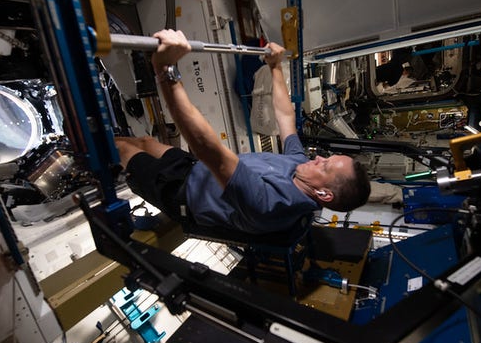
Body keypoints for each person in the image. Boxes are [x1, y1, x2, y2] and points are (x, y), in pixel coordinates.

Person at [115, 29, 371, 235]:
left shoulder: (271, 205)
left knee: (123, 149)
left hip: (182, 192)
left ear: (323, 193)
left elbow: (208, 148)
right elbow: (285, 117)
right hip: (195, 170)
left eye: (324, 166)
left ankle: (89, 154)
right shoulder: (301, 167)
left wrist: (166, 70)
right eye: (326, 158)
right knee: (145, 141)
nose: (318, 158)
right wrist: (275, 67)